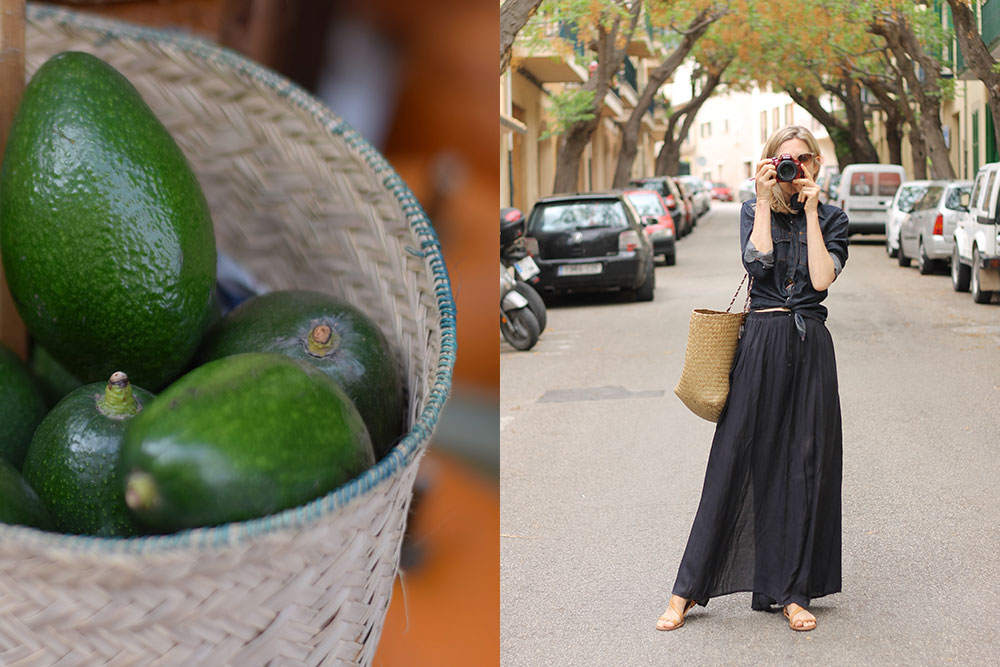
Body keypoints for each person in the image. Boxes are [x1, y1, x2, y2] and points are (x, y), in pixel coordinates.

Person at [656, 126, 849, 633]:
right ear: (767, 165)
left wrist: (810, 214)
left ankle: (791, 591)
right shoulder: (751, 210)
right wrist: (763, 202)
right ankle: (687, 589)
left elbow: (821, 279)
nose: (794, 169)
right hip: (760, 343)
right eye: (783, 160)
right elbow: (757, 261)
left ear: (815, 165)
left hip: (810, 349)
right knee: (732, 457)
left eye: (803, 159)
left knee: (803, 467)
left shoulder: (832, 218)